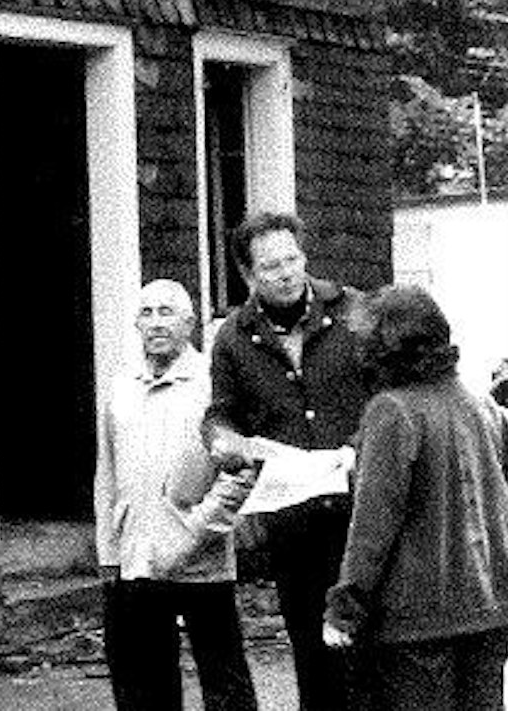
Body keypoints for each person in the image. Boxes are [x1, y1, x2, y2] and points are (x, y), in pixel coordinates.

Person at [202, 210, 372, 711]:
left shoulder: (353, 314)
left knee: (368, 643)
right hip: (292, 519)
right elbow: (221, 413)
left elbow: (387, 397)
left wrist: (359, 450)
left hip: (360, 508)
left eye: (293, 258)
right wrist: (222, 440)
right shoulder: (233, 338)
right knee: (311, 646)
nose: (287, 272)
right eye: (271, 266)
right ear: (248, 275)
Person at [324, 286, 508, 711]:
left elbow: (373, 526)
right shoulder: (483, 407)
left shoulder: (391, 411)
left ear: (383, 349)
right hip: (490, 609)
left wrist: (344, 609)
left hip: (417, 621)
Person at [96, 279, 258, 711]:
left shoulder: (213, 384)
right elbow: (107, 471)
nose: (156, 323)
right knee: (142, 687)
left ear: (189, 322)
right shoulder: (121, 387)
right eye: (146, 313)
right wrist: (109, 551)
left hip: (200, 561)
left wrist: (197, 529)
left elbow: (241, 472)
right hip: (138, 561)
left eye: (166, 312)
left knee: (225, 685)